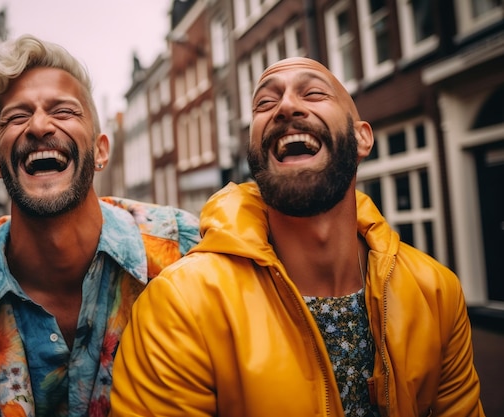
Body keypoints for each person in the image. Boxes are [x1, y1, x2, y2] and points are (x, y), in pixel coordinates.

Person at [110, 57, 485, 417]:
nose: (286, 107)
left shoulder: (437, 293)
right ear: (254, 148)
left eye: (314, 94)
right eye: (265, 102)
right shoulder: (180, 305)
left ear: (362, 138)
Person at [0, 34, 200, 417]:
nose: (38, 125)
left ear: (101, 149)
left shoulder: (187, 251)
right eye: (17, 116)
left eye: (64, 111)